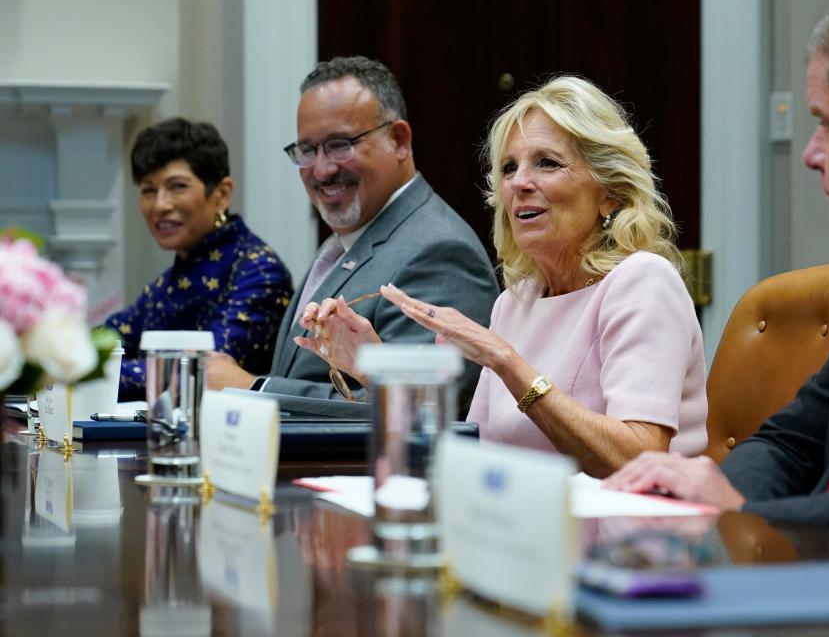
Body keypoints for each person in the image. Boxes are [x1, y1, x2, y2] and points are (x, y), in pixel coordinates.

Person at [606, 0, 829, 540]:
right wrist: (712, 490)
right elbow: (790, 441)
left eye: (826, 123)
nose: (811, 153)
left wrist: (752, 514)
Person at [298, 75, 708, 477]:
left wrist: (505, 361)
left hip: (632, 537)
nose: (519, 184)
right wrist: (381, 373)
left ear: (610, 192)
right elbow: (470, 451)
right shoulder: (515, 302)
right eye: (509, 169)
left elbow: (637, 458)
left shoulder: (643, 282)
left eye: (547, 163)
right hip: (525, 531)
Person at [206, 56, 499, 408]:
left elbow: (420, 409)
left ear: (399, 139)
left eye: (339, 145)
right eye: (307, 150)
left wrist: (255, 389)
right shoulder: (348, 239)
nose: (322, 169)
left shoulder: (440, 250)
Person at [104, 118, 293, 401]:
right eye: (148, 190)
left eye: (177, 186)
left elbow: (201, 372)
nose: (160, 205)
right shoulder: (169, 282)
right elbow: (103, 342)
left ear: (222, 194)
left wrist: (79, 369)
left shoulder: (259, 271)